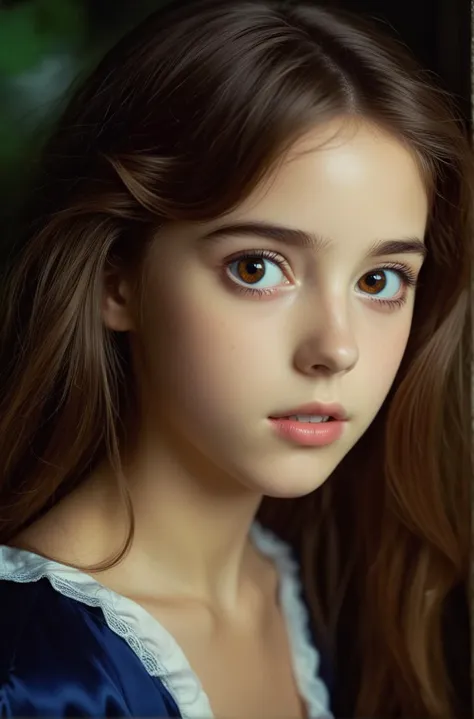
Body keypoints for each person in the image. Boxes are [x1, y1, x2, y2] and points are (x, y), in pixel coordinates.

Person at [0, 0, 471, 717]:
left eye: (380, 281)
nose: (335, 348)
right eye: (258, 267)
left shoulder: (329, 598)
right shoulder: (31, 673)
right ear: (116, 279)